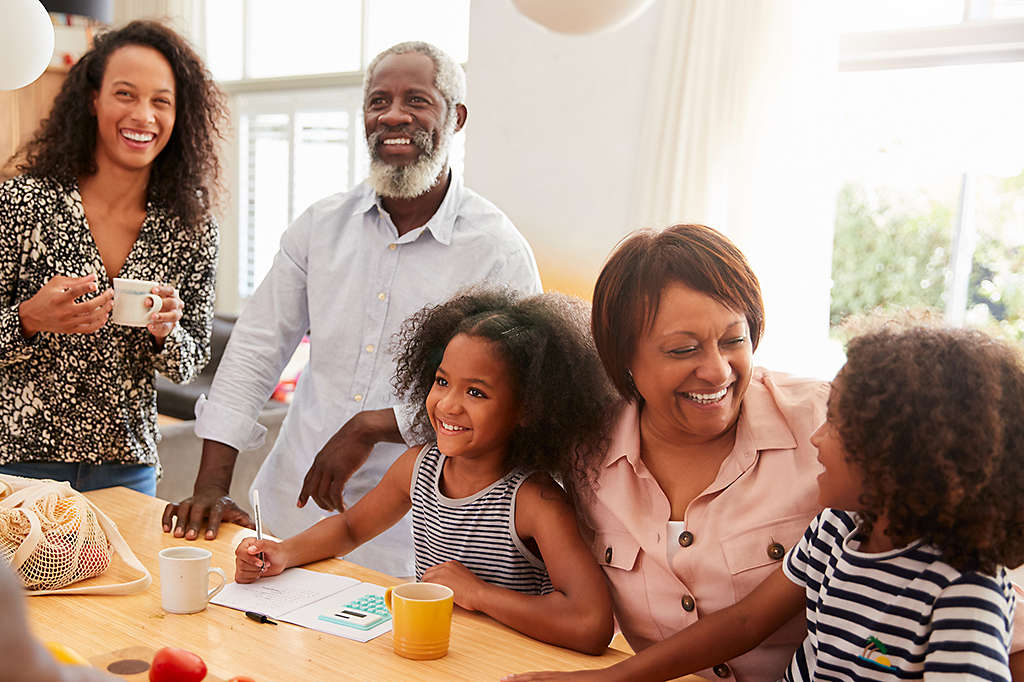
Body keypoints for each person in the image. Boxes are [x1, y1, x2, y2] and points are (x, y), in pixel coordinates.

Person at [163, 41, 542, 576]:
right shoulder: (320, 227)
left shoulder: (496, 250)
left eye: (417, 100)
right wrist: (209, 484)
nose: (392, 115)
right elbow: (257, 347)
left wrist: (373, 425)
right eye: (377, 101)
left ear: (455, 117)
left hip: (416, 535)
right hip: (291, 506)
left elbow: (510, 393)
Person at [506, 323, 1024, 681]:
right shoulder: (836, 531)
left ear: (902, 457)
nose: (817, 437)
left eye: (839, 422)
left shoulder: (963, 591)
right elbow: (743, 623)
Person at [234, 289, 614, 653]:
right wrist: (282, 553)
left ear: (528, 409)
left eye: (476, 392)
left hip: (504, 665)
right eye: (442, 381)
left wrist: (478, 594)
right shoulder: (419, 466)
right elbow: (351, 529)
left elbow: (591, 623)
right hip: (434, 654)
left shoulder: (535, 501)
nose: (448, 404)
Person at [0, 21, 224, 494]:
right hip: (20, 460)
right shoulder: (21, 205)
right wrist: (28, 318)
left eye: (161, 100)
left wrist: (167, 332)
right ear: (92, 100)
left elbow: (190, 365)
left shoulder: (192, 227)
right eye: (125, 94)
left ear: (179, 114)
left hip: (126, 468)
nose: (143, 115)